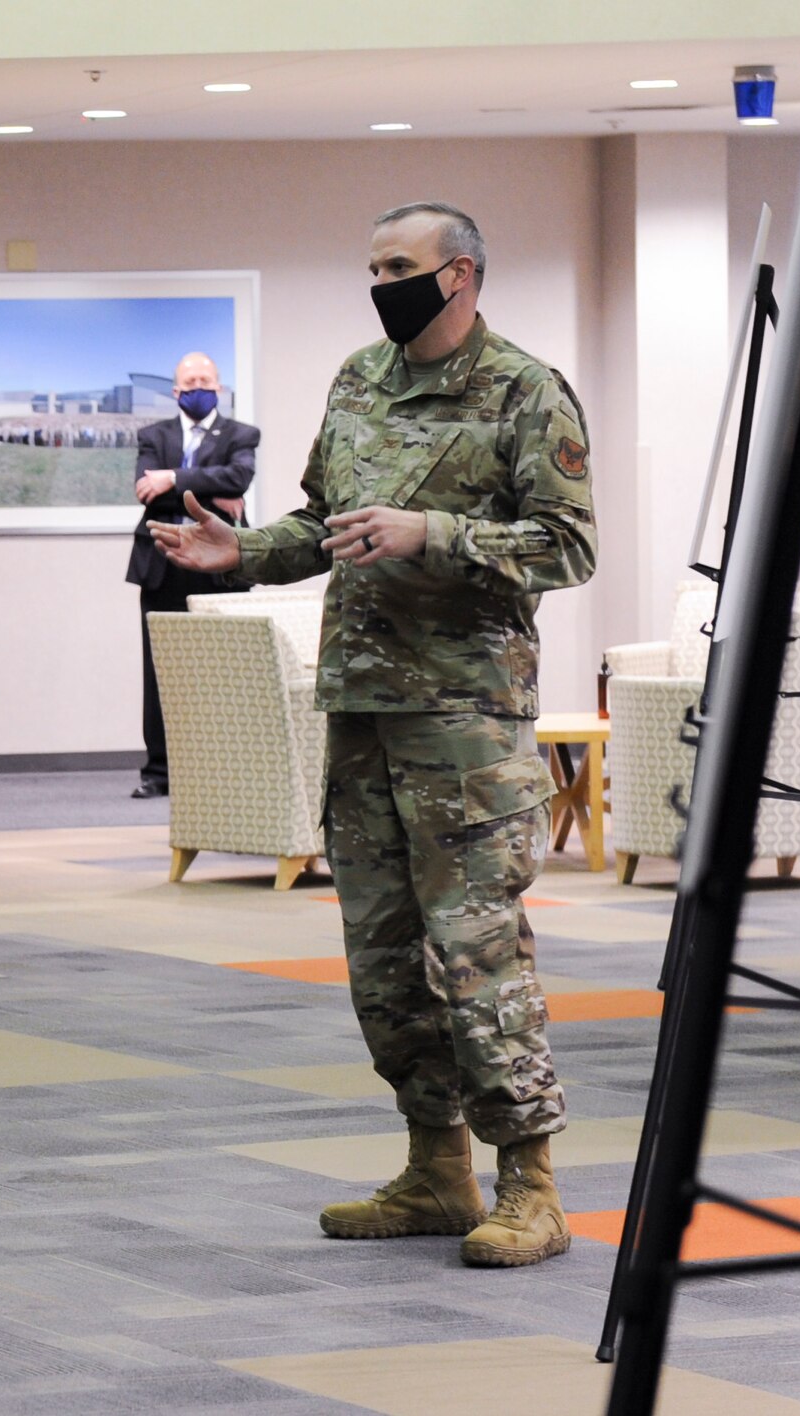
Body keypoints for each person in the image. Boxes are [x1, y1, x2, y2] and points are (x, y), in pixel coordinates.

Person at [151, 201, 596, 1268]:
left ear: (460, 275)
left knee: (474, 951)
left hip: (462, 720)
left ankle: (528, 1183)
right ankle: (434, 1168)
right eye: (371, 265)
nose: (379, 281)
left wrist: (431, 532)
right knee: (383, 959)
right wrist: (244, 552)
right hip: (360, 709)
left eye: (397, 264)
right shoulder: (358, 379)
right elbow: (320, 522)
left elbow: (568, 546)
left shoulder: (524, 392)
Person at [123, 353, 259, 798]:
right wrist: (211, 494)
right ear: (176, 391)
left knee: (226, 673)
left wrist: (174, 479)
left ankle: (227, 769)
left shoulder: (241, 434)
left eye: (205, 379)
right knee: (159, 672)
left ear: (218, 387)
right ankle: (158, 773)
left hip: (221, 571)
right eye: (188, 381)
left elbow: (239, 476)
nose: (197, 386)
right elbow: (147, 493)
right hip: (162, 565)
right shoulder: (153, 435)